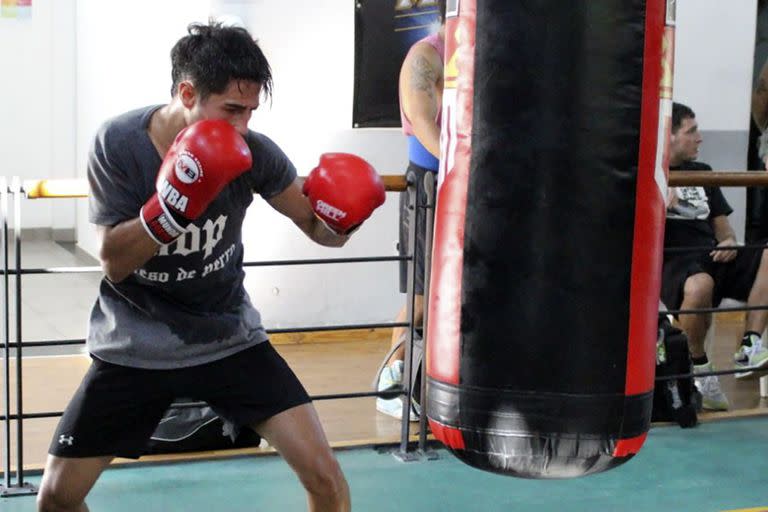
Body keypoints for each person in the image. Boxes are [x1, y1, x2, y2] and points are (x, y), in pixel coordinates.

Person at [37, 22, 385, 512]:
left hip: (228, 339)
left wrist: (343, 217)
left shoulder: (253, 154)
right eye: (231, 110)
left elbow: (317, 228)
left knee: (326, 478)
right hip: (134, 344)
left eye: (250, 111)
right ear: (187, 93)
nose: (242, 126)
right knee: (55, 498)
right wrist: (172, 208)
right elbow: (114, 262)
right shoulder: (119, 144)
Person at [662, 102, 768, 412]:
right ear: (668, 136)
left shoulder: (704, 173)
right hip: (676, 261)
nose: (700, 138)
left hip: (714, 255)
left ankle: (750, 344)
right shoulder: (650, 175)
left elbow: (723, 228)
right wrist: (657, 199)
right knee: (699, 286)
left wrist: (730, 241)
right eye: (691, 131)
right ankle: (701, 368)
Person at [376, 0, 446, 421]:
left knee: (457, 289)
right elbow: (424, 122)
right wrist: (463, 171)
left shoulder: (483, 57)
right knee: (422, 294)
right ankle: (391, 378)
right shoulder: (425, 55)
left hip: (475, 183)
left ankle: (437, 379)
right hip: (433, 181)